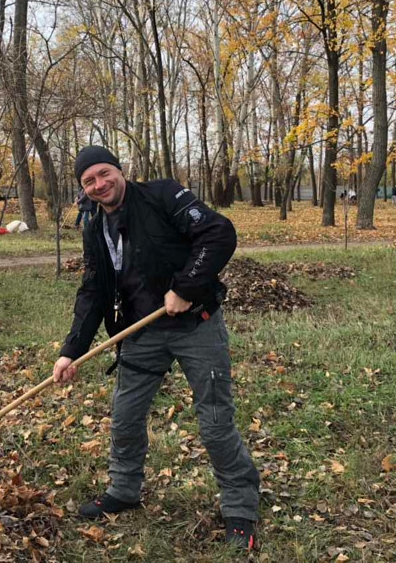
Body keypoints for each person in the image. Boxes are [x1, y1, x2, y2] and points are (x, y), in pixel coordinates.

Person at [52, 145, 260, 551]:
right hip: (141, 332)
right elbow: (93, 290)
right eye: (88, 181)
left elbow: (219, 233)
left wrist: (185, 286)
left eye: (103, 173)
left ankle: (240, 506)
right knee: (125, 418)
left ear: (119, 169)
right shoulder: (95, 226)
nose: (99, 185)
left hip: (194, 324)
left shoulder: (164, 196)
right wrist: (70, 350)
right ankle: (124, 491)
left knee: (216, 422)